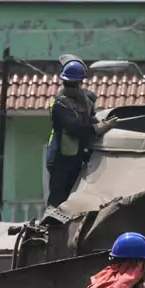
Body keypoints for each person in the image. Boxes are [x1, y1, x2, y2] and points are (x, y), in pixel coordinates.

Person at [46, 59, 117, 208]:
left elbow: (90, 119)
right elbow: (75, 128)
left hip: (77, 158)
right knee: (58, 200)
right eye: (67, 84)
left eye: (73, 84)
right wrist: (98, 128)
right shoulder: (60, 103)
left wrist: (100, 123)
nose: (69, 88)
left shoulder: (85, 101)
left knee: (74, 199)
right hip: (60, 159)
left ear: (80, 83)